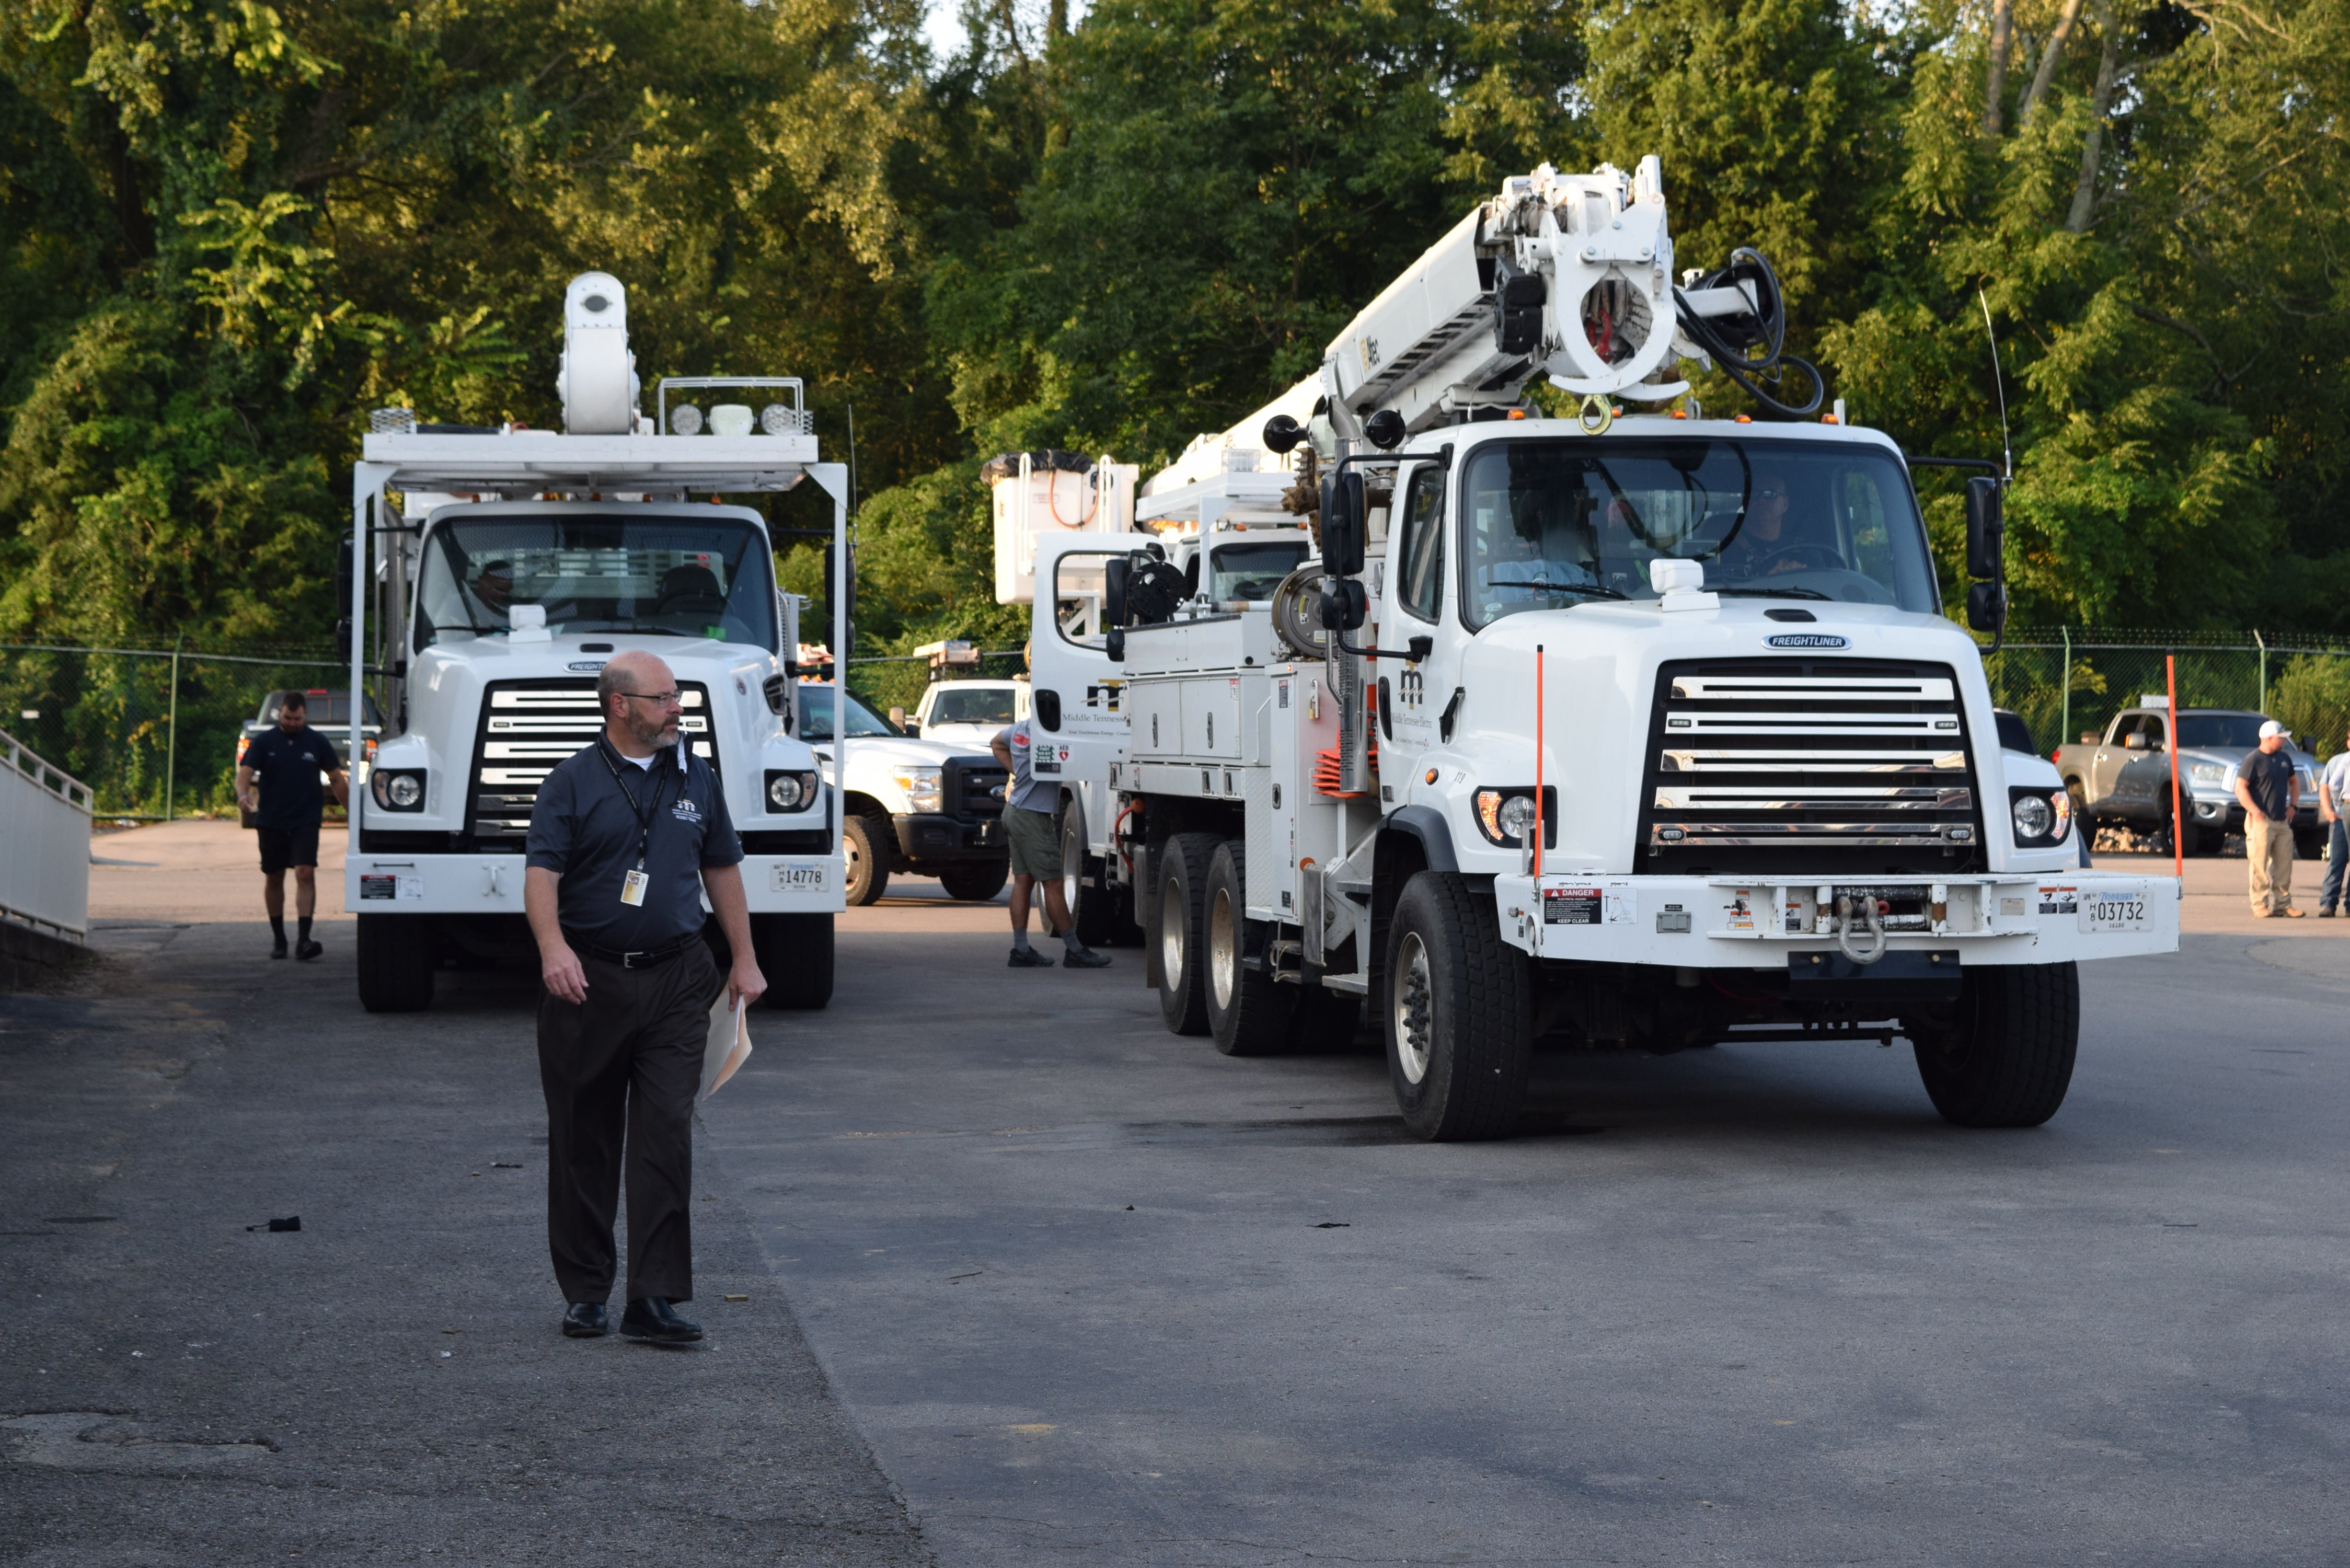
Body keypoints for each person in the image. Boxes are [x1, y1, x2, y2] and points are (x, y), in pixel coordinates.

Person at [524, 650, 766, 1344]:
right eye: (663, 699)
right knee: (584, 1140)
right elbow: (542, 872)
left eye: (678, 698)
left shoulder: (696, 776)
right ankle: (587, 1292)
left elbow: (721, 866)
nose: (677, 709)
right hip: (587, 983)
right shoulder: (571, 783)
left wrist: (743, 959)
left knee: (665, 1137)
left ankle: (653, 1297)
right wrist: (552, 949)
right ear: (619, 706)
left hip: (677, 977)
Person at [990, 714, 1112, 970]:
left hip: (1014, 810)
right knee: (1054, 883)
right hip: (1032, 816)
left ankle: (1021, 949)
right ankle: (1075, 950)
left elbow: (995, 743)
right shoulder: (1050, 735)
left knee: (1023, 880)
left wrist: (1017, 770)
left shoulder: (1022, 728)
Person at [234, 691, 348, 961]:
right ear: (279, 714)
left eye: (297, 719)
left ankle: (304, 940)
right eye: (287, 717)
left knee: (305, 873)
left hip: (305, 818)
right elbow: (245, 774)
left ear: (305, 716)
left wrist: (351, 811)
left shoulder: (317, 742)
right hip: (271, 819)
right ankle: (279, 939)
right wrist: (242, 795)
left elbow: (336, 778)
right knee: (274, 876)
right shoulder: (264, 742)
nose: (292, 723)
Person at [2234, 719, 2303, 918]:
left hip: (2282, 821)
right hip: (2261, 822)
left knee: (2284, 865)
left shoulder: (2284, 759)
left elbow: (2294, 782)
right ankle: (2259, 905)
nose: (2283, 742)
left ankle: (2283, 904)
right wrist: (2255, 811)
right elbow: (2240, 788)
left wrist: (2293, 806)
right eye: (2280, 739)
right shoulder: (2253, 760)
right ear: (2268, 738)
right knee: (2259, 864)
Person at [2318, 728, 2350, 916]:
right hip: (2339, 815)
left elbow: (2334, 786)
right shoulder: (2338, 760)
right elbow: (2326, 786)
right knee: (2337, 860)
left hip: (2344, 810)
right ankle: (2328, 903)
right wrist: (2329, 810)